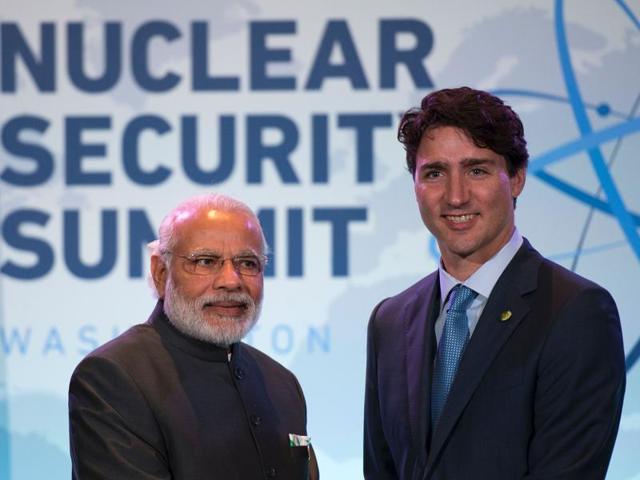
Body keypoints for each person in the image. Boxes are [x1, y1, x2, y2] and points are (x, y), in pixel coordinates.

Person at [363, 87, 625, 479]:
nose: (456, 196)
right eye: (435, 173)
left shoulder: (576, 311)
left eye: (477, 170)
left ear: (516, 178)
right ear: (414, 185)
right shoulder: (390, 320)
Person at [69, 193, 319, 479]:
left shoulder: (281, 383)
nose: (231, 280)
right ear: (161, 273)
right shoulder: (114, 376)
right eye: (205, 261)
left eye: (248, 263)